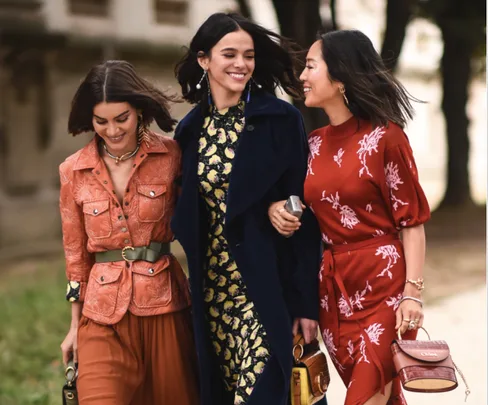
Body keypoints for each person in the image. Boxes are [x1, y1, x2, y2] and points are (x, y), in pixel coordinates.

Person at [269, 30, 430, 405]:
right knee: (384, 399)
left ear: (339, 77)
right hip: (334, 293)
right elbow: (296, 205)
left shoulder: (387, 138)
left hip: (384, 290)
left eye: (310, 66)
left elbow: (412, 222)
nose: (302, 76)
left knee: (363, 397)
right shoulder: (313, 143)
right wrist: (275, 209)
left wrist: (413, 295)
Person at [172, 12, 324, 405]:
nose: (241, 64)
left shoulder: (280, 119)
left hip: (266, 289)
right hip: (214, 296)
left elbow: (304, 210)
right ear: (204, 60)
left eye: (249, 55)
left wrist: (306, 302)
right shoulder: (189, 131)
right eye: (229, 54)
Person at [58, 60, 199, 405]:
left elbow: (199, 223)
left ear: (139, 110)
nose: (112, 130)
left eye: (122, 118)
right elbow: (76, 255)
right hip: (101, 314)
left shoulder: (172, 155)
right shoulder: (73, 171)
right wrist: (75, 326)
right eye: (101, 121)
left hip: (165, 304)